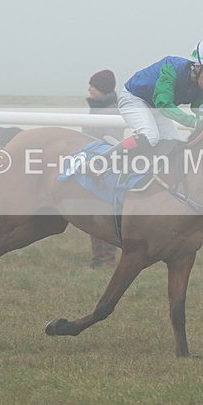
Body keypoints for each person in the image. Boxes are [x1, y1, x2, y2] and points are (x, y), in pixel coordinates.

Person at [96, 38, 203, 168]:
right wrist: (193, 122)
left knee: (174, 144)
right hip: (134, 98)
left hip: (154, 107)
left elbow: (202, 116)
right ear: (197, 66)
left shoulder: (201, 89)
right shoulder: (171, 68)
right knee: (149, 136)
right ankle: (103, 160)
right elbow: (163, 104)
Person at [82, 69, 124, 268]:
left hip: (105, 170)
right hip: (95, 166)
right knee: (93, 215)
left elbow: (111, 144)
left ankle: (106, 261)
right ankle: (98, 260)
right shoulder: (99, 108)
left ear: (103, 88)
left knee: (103, 216)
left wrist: (99, 166)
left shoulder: (111, 111)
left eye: (93, 85)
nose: (89, 88)